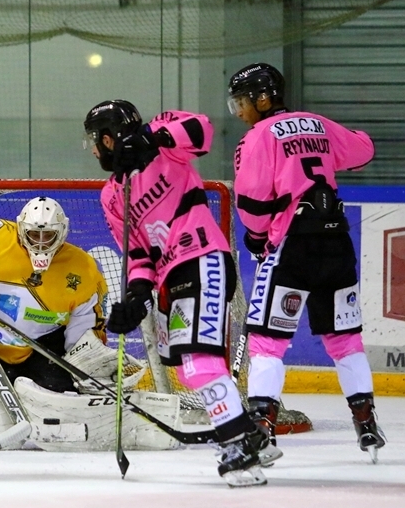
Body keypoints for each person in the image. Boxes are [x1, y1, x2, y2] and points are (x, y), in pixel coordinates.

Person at [83, 99, 281, 487]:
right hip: (171, 275)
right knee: (191, 367)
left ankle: (238, 445)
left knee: (201, 361)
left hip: (203, 256)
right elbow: (139, 253)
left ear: (109, 138)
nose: (93, 150)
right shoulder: (112, 194)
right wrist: (137, 297)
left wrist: (147, 138)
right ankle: (248, 436)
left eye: (96, 140)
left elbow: (201, 128)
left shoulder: (166, 147)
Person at [227, 62, 385, 461]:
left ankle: (262, 427)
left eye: (243, 102)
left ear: (264, 99)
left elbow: (252, 202)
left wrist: (258, 238)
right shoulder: (317, 123)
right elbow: (363, 149)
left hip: (291, 246)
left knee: (268, 341)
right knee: (344, 340)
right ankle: (366, 422)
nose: (240, 111)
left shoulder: (256, 138)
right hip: (336, 242)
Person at [0, 196, 114, 393]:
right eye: (33, 234)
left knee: (59, 387)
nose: (40, 243)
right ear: (21, 228)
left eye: (47, 235)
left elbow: (84, 331)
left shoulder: (84, 269)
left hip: (44, 347)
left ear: (62, 232)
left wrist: (88, 364)